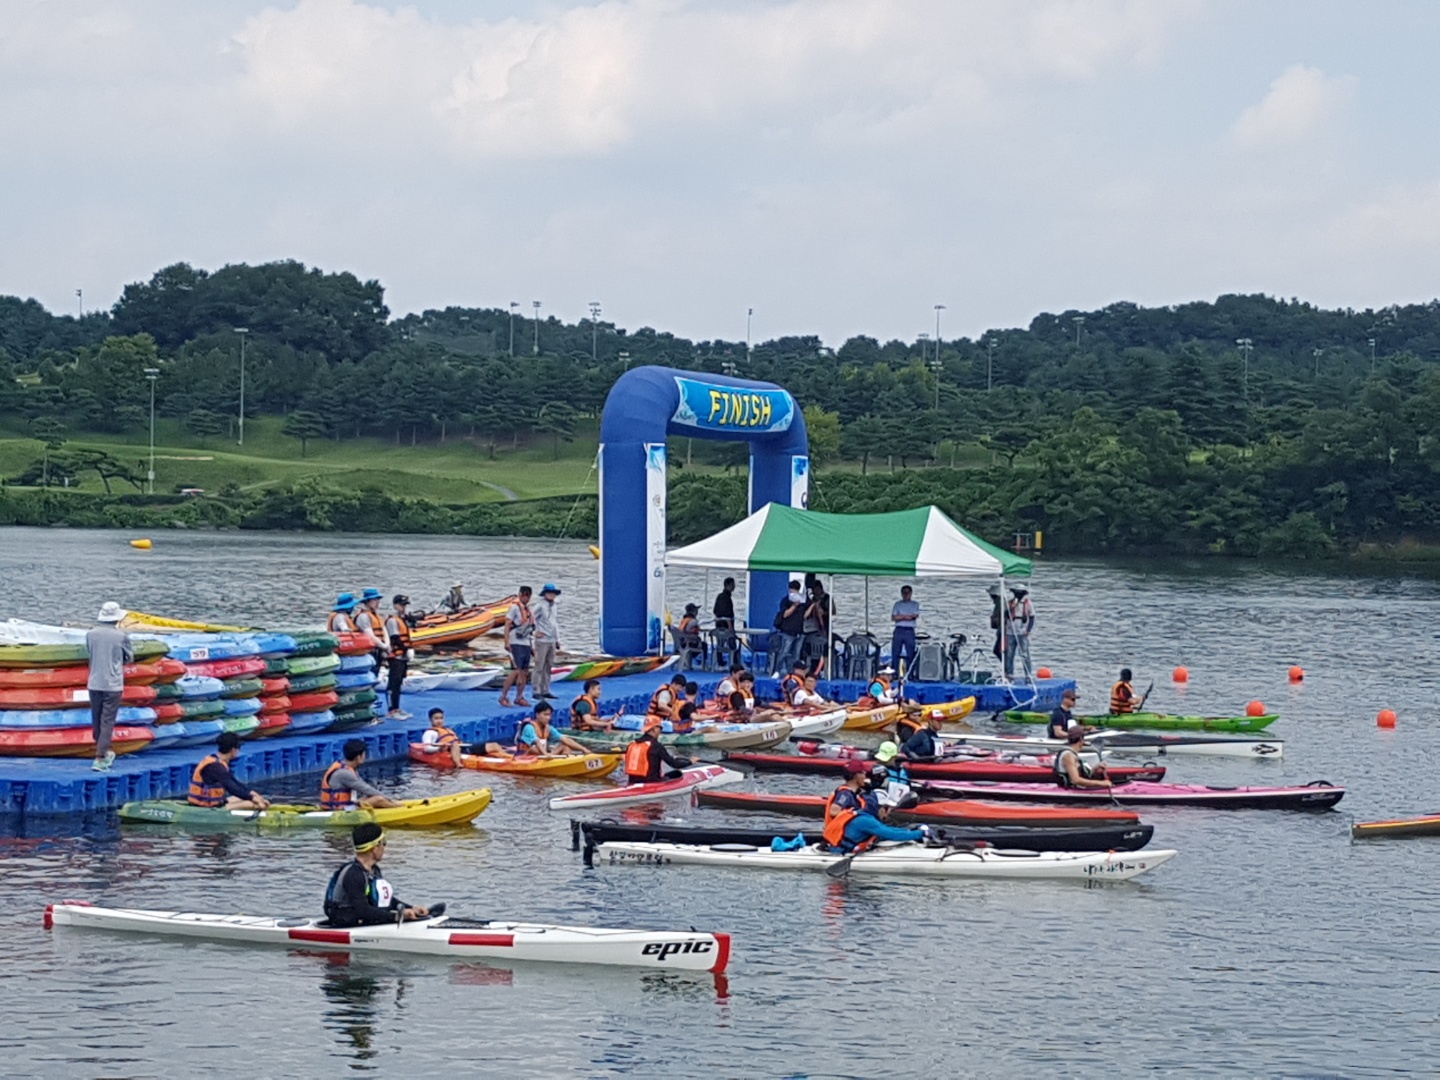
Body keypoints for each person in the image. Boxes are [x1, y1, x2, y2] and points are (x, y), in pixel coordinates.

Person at [323, 823, 430, 928]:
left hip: (365, 921)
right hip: (347, 924)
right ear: (374, 848)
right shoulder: (354, 874)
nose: (384, 848)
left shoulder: (374, 870)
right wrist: (396, 916)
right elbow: (362, 910)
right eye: (383, 843)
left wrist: (411, 908)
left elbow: (384, 900)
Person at [821, 762, 927, 853]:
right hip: (841, 842)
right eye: (863, 773)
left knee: (882, 830)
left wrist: (913, 831)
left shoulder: (857, 801)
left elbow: (887, 830)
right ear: (856, 775)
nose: (865, 777)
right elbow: (834, 811)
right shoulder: (846, 795)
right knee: (883, 831)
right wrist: (921, 834)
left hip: (843, 834)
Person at [86, 601, 133, 772]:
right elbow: (128, 658)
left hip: (94, 681)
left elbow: (89, 653)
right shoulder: (121, 636)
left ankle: (103, 750)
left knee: (96, 718)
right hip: (113, 684)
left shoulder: (90, 634)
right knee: (107, 721)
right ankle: (100, 757)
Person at [187, 731, 272, 810]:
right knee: (249, 804)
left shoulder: (219, 762)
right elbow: (232, 788)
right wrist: (253, 799)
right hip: (205, 807)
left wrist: (254, 794)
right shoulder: (215, 767)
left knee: (240, 798)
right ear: (233, 750)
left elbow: (235, 783)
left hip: (214, 803)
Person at [321, 738, 403, 810]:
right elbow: (366, 789)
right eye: (364, 754)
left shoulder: (347, 768)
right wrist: (390, 800)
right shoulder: (344, 773)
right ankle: (399, 809)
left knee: (372, 797)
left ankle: (393, 805)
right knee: (379, 799)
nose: (365, 757)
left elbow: (365, 788)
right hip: (339, 810)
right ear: (358, 757)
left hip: (344, 806)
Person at [623, 715, 692, 784]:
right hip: (652, 783)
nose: (660, 731)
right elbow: (675, 764)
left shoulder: (632, 744)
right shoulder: (656, 746)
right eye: (660, 728)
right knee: (676, 774)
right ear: (654, 729)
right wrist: (691, 762)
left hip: (632, 782)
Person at [504, 702, 588, 757]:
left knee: (565, 746)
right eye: (545, 715)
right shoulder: (529, 727)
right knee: (533, 748)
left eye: (549, 715)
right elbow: (536, 741)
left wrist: (584, 749)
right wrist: (545, 754)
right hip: (525, 756)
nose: (548, 718)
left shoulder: (548, 728)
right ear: (537, 714)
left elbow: (564, 738)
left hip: (542, 756)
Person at [497, 586, 534, 707]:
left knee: (524, 671)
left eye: (528, 596)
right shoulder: (514, 608)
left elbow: (529, 628)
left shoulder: (528, 610)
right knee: (516, 670)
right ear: (520, 595)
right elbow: (507, 625)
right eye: (524, 595)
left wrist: (531, 646)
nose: (526, 598)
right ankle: (503, 696)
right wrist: (506, 642)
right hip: (515, 642)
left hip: (526, 643)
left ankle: (519, 697)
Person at [383, 594, 413, 719]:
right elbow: (394, 638)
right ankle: (391, 710)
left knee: (399, 683)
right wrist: (406, 648)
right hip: (395, 656)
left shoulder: (402, 620)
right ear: (395, 605)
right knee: (393, 683)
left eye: (405, 605)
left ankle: (397, 707)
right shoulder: (392, 621)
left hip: (403, 657)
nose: (403, 607)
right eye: (401, 605)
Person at [530, 583, 562, 700]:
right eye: (549, 593)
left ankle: (545, 690)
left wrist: (558, 639)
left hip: (552, 640)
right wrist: (534, 633)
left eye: (553, 593)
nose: (551, 595)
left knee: (548, 666)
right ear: (545, 594)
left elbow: (555, 624)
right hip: (542, 640)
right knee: (539, 665)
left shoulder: (554, 606)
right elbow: (530, 619)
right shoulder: (539, 606)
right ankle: (536, 690)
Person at [769, 581, 805, 676]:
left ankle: (794, 672)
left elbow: (805, 615)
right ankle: (777, 671)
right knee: (784, 652)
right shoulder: (786, 600)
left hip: (799, 631)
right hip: (787, 631)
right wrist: (794, 606)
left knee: (796, 655)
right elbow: (785, 614)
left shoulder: (803, 600)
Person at [870, 741, 917, 808]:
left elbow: (909, 787)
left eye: (886, 759)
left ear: (894, 757)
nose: (882, 761)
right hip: (882, 804)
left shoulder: (903, 771)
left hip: (900, 806)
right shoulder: (877, 770)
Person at [802, 582, 832, 674]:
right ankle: (812, 669)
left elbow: (832, 612)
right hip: (813, 629)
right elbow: (806, 616)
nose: (815, 591)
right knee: (811, 650)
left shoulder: (827, 598)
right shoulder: (812, 600)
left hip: (824, 627)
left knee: (825, 648)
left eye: (816, 589)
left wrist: (824, 613)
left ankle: (825, 670)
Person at [890, 585, 920, 677]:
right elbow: (894, 617)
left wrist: (901, 616)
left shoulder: (915, 604)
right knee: (895, 652)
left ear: (911, 594)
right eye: (904, 593)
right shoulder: (897, 604)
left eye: (907, 593)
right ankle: (894, 673)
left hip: (909, 631)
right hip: (899, 630)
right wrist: (905, 617)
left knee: (910, 653)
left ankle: (910, 674)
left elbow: (914, 616)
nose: (906, 595)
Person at [355, 588, 386, 673]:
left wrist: (387, 645)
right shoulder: (363, 616)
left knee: (376, 669)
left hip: (378, 650)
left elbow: (384, 630)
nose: (378, 603)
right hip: (369, 651)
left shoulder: (377, 616)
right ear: (367, 601)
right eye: (375, 600)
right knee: (371, 671)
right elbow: (370, 635)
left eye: (378, 600)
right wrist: (384, 646)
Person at [1006, 584, 1034, 678]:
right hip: (1010, 631)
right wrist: (1011, 607)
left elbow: (1032, 617)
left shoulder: (1027, 603)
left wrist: (1028, 629)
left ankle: (1028, 675)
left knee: (1025, 654)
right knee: (1009, 654)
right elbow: (1005, 615)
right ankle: (1010, 674)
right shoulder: (1009, 603)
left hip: (1022, 631)